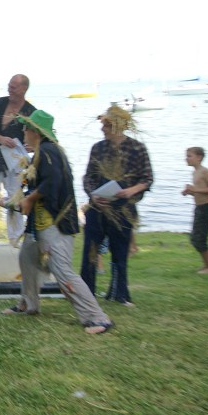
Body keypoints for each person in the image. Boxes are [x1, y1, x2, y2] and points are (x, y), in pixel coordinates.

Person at [0, 110, 113, 335]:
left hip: (56, 225)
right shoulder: (43, 153)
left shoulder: (50, 152)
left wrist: (29, 200)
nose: (23, 131)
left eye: (26, 128)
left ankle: (97, 317)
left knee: (63, 271)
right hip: (38, 226)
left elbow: (52, 184)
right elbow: (36, 187)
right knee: (27, 260)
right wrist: (13, 202)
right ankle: (28, 304)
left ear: (36, 132)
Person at [80, 105, 154, 307]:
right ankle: (86, 294)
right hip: (98, 207)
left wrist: (131, 191)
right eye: (103, 124)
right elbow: (88, 177)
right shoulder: (98, 148)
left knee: (120, 251)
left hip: (123, 208)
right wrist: (93, 196)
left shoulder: (137, 148)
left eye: (106, 124)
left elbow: (147, 179)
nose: (102, 128)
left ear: (118, 126)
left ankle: (120, 293)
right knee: (91, 251)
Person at [0, 74, 35, 249]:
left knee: (15, 195)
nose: (10, 89)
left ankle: (15, 236)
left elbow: (37, 137)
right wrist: (0, 138)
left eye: (14, 87)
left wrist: (30, 147)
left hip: (15, 159)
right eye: (9, 86)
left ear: (24, 88)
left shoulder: (30, 111)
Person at [181, 146, 208, 273]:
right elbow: (199, 192)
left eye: (189, 156)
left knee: (200, 239)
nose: (186, 158)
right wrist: (189, 192)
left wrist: (195, 189)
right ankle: (207, 265)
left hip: (207, 209)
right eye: (186, 156)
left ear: (199, 157)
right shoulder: (194, 172)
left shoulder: (204, 171)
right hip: (198, 208)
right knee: (194, 238)